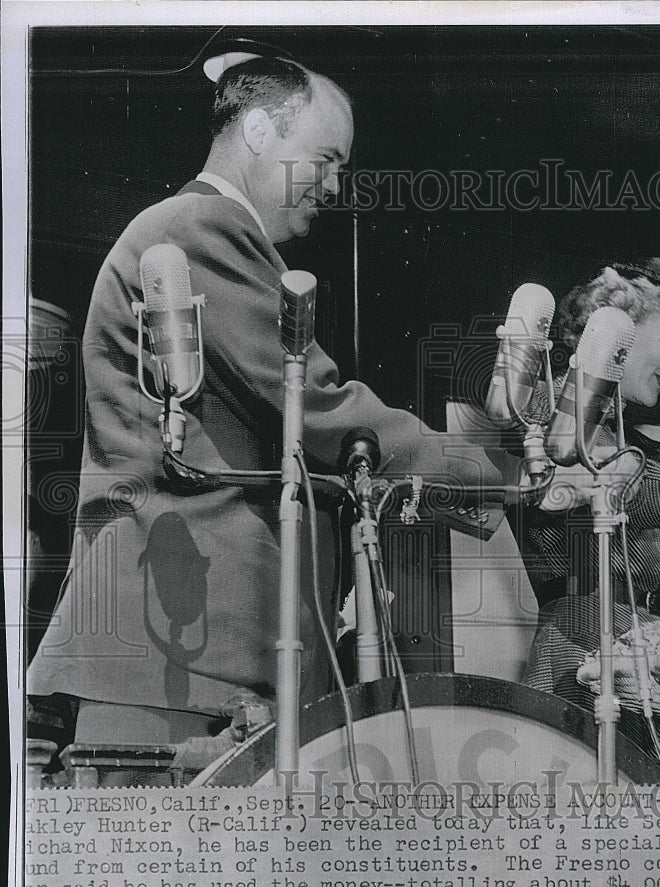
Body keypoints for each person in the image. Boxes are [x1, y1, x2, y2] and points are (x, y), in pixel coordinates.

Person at [27, 56, 523, 748]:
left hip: (196, 658)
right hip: (184, 659)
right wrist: (490, 467)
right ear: (259, 130)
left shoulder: (200, 232)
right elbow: (321, 411)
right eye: (324, 158)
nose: (335, 185)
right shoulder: (202, 226)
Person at [512, 259, 660, 731]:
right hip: (575, 648)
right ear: (620, 325)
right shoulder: (549, 420)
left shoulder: (652, 450)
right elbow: (621, 489)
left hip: (650, 656)